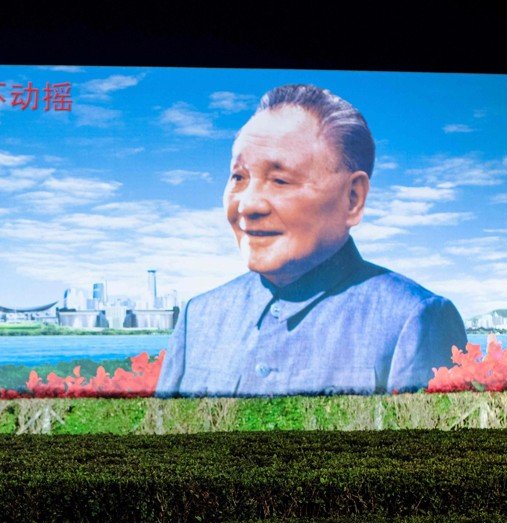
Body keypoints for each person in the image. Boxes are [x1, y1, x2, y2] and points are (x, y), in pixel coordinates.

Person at [155, 84, 467, 398]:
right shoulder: (199, 316)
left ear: (353, 198)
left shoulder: (413, 319)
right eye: (239, 177)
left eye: (279, 180)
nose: (247, 205)